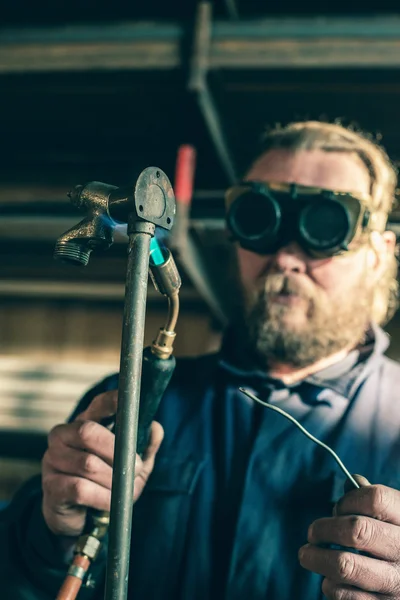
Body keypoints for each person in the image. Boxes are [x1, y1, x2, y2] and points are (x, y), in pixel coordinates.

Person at [2, 120, 400, 600]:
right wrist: (52, 536)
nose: (285, 257)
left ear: (380, 253)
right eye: (261, 219)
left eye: (325, 223)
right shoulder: (134, 398)